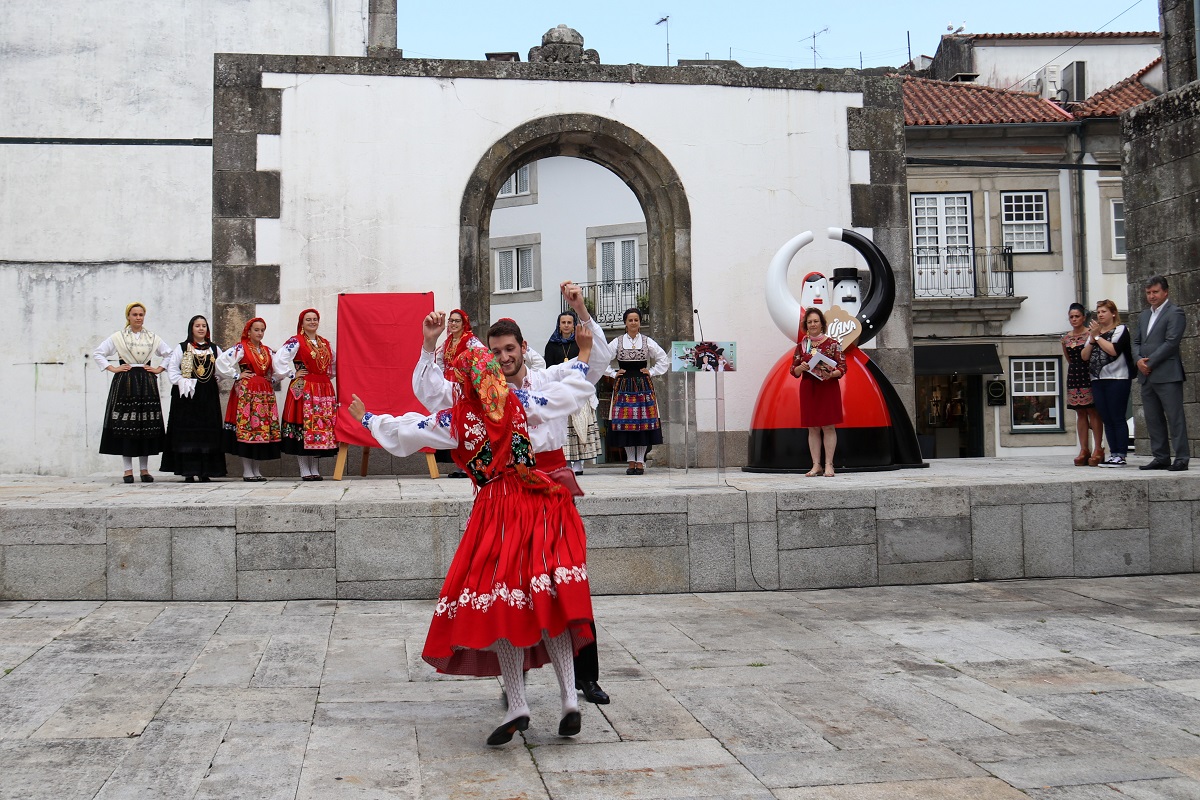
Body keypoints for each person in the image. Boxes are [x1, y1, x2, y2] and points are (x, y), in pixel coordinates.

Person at [349, 323, 597, 747]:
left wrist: (369, 418)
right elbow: (568, 394)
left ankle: (525, 703)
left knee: (498, 601)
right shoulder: (516, 401)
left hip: (500, 512)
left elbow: (410, 432)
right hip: (535, 505)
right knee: (544, 596)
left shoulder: (462, 417)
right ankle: (567, 699)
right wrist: (582, 363)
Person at [414, 282, 613, 705]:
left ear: (523, 347)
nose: (504, 358)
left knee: (566, 582)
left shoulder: (550, 379)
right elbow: (433, 395)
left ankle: (584, 678)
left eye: (510, 349)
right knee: (511, 587)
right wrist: (430, 345)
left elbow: (596, 362)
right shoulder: (487, 397)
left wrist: (579, 308)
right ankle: (516, 687)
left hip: (552, 493)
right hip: (508, 497)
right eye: (497, 352)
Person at [92, 302, 173, 483]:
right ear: (128, 316)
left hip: (146, 381)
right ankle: (128, 470)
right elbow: (98, 353)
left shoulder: (152, 337)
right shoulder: (119, 337)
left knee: (144, 425)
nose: (138, 318)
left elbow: (169, 353)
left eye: (141, 314)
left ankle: (144, 470)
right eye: (134, 314)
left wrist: (159, 369)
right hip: (126, 381)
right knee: (126, 425)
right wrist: (112, 368)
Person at [217, 317, 292, 481]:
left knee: (261, 431)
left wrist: (272, 379)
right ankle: (247, 471)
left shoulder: (267, 351)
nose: (259, 333)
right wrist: (237, 375)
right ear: (249, 332)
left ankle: (256, 470)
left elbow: (279, 368)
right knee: (247, 430)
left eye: (262, 330)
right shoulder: (241, 348)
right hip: (246, 394)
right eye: (256, 330)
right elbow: (221, 362)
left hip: (264, 394)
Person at [160, 315, 227, 482]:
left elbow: (224, 367)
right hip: (186, 396)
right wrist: (182, 381)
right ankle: (188, 471)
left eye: (204, 325)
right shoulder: (182, 348)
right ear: (191, 328)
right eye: (197, 325)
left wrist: (217, 378)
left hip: (207, 395)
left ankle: (205, 471)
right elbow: (173, 369)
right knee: (188, 433)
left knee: (207, 432)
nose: (201, 328)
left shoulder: (214, 348)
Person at [1133, 275, 1189, 471]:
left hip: (1167, 374)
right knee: (1152, 418)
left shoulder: (1175, 312)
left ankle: (1181, 457)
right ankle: (1161, 457)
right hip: (1146, 375)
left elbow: (1172, 342)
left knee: (1175, 417)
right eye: (1148, 292)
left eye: (1155, 292)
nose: (1151, 296)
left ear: (1165, 292)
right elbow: (1137, 342)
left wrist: (1151, 362)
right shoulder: (1144, 315)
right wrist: (1138, 360)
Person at [606, 308, 668, 475]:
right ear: (625, 323)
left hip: (643, 386)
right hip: (623, 385)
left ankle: (640, 461)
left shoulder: (648, 341)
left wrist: (652, 371)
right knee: (626, 424)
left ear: (640, 322)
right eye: (630, 320)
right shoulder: (617, 342)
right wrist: (612, 373)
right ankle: (630, 461)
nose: (633, 323)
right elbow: (601, 359)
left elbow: (663, 359)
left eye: (636, 320)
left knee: (642, 424)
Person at [277, 309, 338, 480]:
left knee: (318, 427)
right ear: (302, 323)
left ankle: (314, 468)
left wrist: (326, 378)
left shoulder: (325, 343)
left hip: (322, 388)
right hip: (304, 387)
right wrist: (291, 374)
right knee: (304, 426)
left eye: (315, 319)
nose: (312, 322)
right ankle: (304, 469)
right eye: (308, 319)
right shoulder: (295, 341)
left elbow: (333, 364)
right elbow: (279, 359)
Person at [545, 310, 602, 475]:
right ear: (559, 325)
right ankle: (566, 462)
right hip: (560, 390)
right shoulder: (551, 345)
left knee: (579, 428)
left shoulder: (579, 343)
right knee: (563, 429)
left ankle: (578, 464)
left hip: (577, 389)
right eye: (563, 323)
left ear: (573, 324)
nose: (566, 325)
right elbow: (549, 369)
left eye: (569, 322)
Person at [792, 307, 846, 477]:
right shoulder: (802, 346)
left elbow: (843, 367)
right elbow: (793, 370)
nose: (813, 324)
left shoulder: (833, 344)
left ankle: (829, 465)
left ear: (822, 324)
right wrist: (800, 367)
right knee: (813, 428)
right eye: (809, 322)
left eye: (816, 321)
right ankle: (816, 465)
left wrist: (832, 373)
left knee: (828, 426)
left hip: (827, 388)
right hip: (809, 388)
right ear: (806, 325)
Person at [1082, 300, 1134, 468]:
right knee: (1106, 418)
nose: (1100, 314)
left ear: (1113, 313)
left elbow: (1113, 350)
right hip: (1098, 379)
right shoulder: (1094, 333)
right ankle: (1114, 453)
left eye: (1104, 311)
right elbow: (1084, 356)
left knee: (1117, 416)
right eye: (1098, 312)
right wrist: (1092, 339)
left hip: (1118, 378)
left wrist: (1097, 337)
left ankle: (1121, 454)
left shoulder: (1120, 330)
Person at [435, 309, 482, 478]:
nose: (453, 324)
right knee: (453, 425)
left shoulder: (471, 341)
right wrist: (443, 377)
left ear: (464, 324)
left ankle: (467, 466)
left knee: (464, 424)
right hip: (448, 388)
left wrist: (470, 376)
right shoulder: (447, 342)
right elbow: (439, 359)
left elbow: (482, 357)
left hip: (463, 387)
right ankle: (459, 465)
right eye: (451, 321)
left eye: (456, 321)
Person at [1061, 303, 1105, 466]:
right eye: (1071, 316)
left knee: (1093, 411)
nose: (1074, 319)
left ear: (1083, 317)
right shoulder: (1065, 338)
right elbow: (1069, 358)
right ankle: (1083, 449)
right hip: (1074, 375)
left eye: (1077, 316)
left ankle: (1098, 448)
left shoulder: (1090, 334)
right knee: (1079, 413)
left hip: (1089, 374)